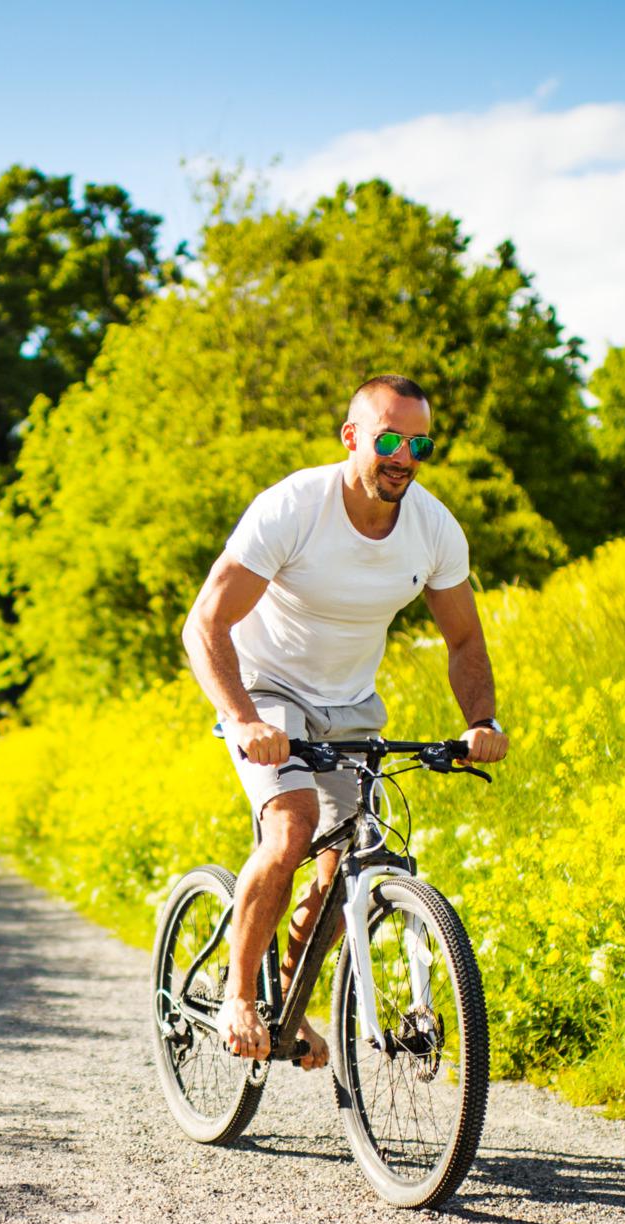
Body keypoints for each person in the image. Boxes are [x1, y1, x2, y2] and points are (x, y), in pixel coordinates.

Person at [181, 374, 510, 1068]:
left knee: (349, 860)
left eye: (419, 443)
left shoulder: (433, 528)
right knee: (293, 823)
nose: (404, 456)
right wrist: (241, 718)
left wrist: (480, 719)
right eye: (389, 438)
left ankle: (289, 1006)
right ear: (352, 436)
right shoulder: (297, 506)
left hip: (350, 702)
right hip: (266, 688)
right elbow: (204, 622)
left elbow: (465, 641)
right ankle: (240, 994)